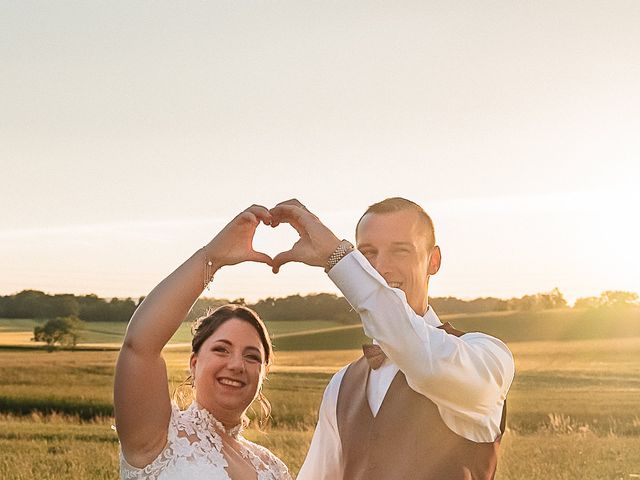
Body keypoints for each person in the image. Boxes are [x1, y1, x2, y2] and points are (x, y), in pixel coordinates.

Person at [269, 197, 515, 480]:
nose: (381, 268)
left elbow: (423, 360)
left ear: (433, 261)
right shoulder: (341, 384)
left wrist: (337, 257)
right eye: (367, 254)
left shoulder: (488, 358)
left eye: (401, 251)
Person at [114, 205, 291, 480]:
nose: (236, 365)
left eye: (252, 356)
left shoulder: (270, 466)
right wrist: (212, 258)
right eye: (221, 349)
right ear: (194, 363)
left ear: (264, 372)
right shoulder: (159, 436)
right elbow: (140, 346)